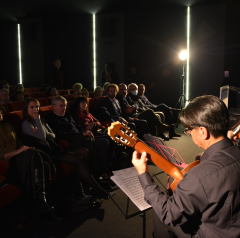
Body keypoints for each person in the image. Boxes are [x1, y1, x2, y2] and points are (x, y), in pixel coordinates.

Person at [132, 95, 240, 238]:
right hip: (229, 223)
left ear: (203, 131)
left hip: (212, 233)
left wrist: (143, 174)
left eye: (189, 129)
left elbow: (168, 214)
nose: (189, 133)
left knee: (162, 212)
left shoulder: (198, 176)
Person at [21, 98, 108, 200]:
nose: (35, 109)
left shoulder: (41, 120)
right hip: (45, 153)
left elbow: (52, 135)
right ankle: (95, 190)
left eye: (37, 106)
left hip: (53, 147)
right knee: (79, 158)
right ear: (26, 109)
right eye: (32, 107)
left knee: (84, 152)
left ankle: (86, 186)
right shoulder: (26, 123)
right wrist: (39, 123)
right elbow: (43, 137)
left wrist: (40, 128)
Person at [0, 105, 55, 215]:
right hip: (8, 162)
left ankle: (43, 201)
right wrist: (18, 151)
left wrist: (24, 148)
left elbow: (17, 143)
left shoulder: (7, 126)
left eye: (0, 113)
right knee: (36, 156)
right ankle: (41, 201)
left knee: (41, 161)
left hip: (19, 156)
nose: (0, 115)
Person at [46, 96, 113, 179]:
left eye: (65, 106)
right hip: (73, 141)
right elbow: (59, 134)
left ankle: (106, 169)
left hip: (81, 137)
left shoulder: (67, 115)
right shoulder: (50, 118)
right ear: (53, 106)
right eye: (61, 106)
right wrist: (82, 134)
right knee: (103, 142)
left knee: (110, 138)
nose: (64, 108)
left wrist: (85, 132)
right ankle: (99, 173)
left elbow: (77, 126)